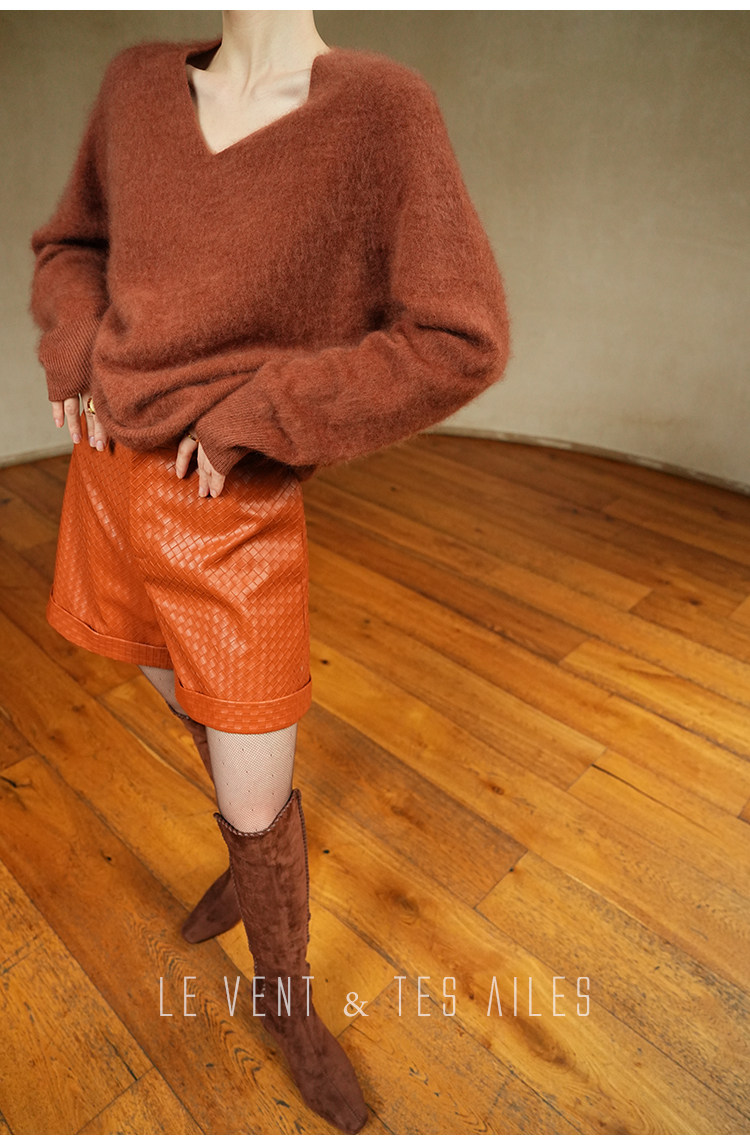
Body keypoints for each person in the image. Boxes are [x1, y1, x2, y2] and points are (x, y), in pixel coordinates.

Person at [28, 9, 510, 1134]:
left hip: (230, 505)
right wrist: (73, 343)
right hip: (107, 479)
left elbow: (460, 335)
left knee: (255, 786)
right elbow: (72, 244)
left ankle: (285, 998)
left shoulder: (382, 110)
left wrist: (264, 413)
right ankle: (248, 870)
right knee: (196, 714)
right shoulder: (137, 84)